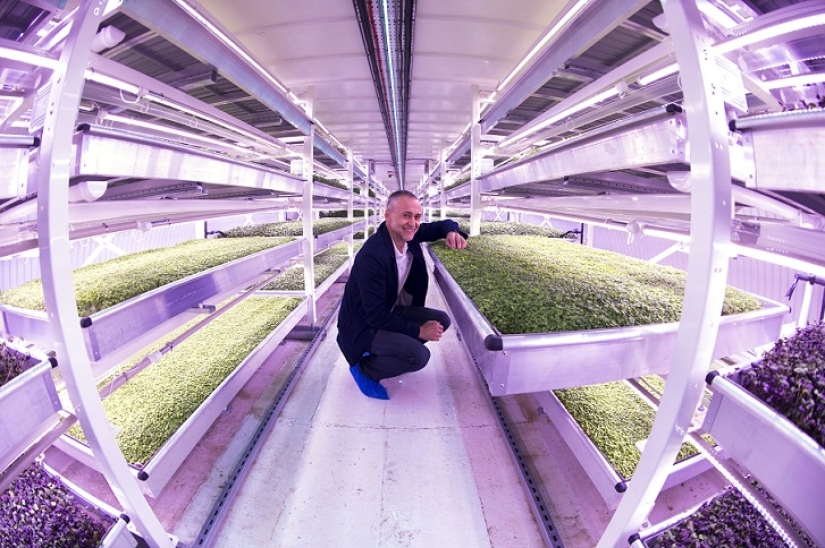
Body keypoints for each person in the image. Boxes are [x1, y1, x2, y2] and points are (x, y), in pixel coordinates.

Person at [337, 190, 468, 400]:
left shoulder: (409, 235)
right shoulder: (373, 256)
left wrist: (452, 231)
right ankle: (366, 368)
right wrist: (419, 331)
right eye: (406, 215)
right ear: (388, 215)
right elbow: (376, 316)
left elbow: (441, 225)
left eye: (417, 216)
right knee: (418, 356)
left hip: (388, 310)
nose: (413, 223)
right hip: (363, 325)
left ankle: (383, 351)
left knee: (440, 320)